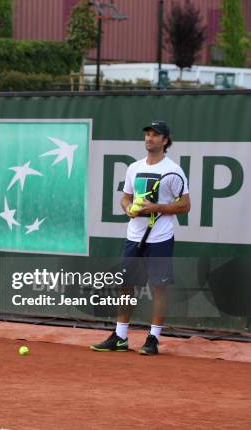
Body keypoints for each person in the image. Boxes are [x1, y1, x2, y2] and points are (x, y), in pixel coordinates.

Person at [90, 121, 190, 356]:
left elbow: (185, 205)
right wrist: (128, 209)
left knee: (159, 287)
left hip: (161, 237)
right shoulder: (133, 168)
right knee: (125, 286)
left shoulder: (173, 170)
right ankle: (121, 337)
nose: (149, 138)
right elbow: (125, 198)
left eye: (155, 135)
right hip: (134, 236)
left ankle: (153, 338)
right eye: (147, 134)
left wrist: (157, 207)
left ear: (165, 140)